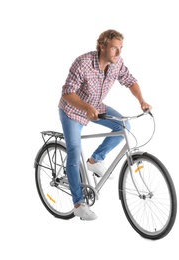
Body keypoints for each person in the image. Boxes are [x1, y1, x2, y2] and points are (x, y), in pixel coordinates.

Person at [58, 29, 152, 221]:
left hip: (96, 107)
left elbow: (130, 81)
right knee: (74, 152)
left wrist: (141, 100)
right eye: (114, 48)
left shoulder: (116, 64)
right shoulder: (83, 62)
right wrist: (85, 107)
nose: (119, 53)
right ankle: (78, 204)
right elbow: (67, 92)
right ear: (102, 46)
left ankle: (95, 160)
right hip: (72, 111)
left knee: (123, 126)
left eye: (121, 49)